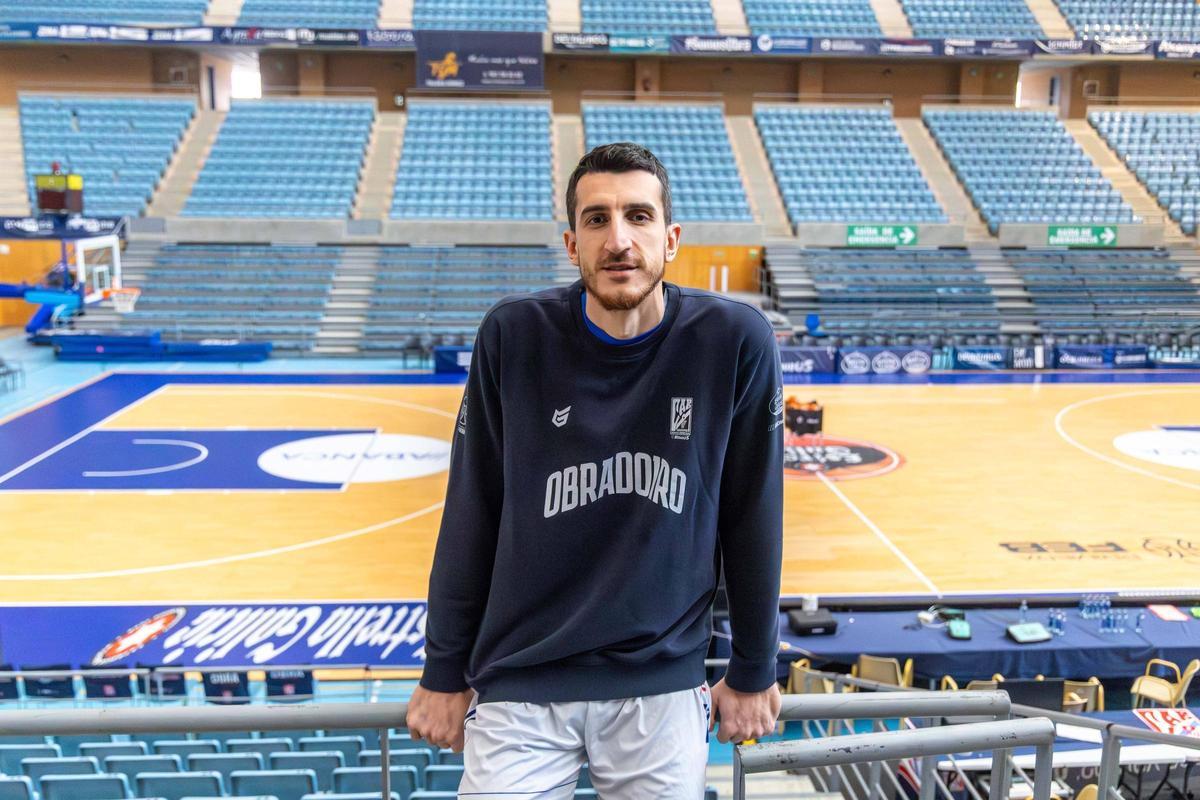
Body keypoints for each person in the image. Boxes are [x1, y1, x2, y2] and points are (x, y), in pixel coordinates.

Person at [407, 142, 784, 798]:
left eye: (638, 217)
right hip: (521, 682)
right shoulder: (512, 335)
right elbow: (472, 510)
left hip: (660, 684)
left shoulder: (734, 341)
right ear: (570, 242)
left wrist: (753, 668)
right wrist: (444, 670)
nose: (619, 240)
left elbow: (752, 516)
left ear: (671, 239)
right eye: (597, 220)